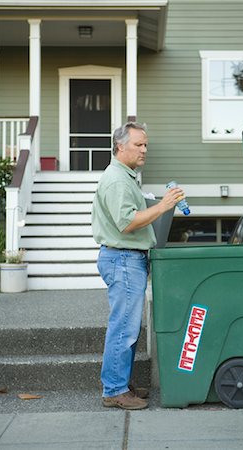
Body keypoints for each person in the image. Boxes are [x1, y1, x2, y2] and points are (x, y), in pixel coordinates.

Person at [91, 121, 185, 410]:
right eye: (139, 145)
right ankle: (115, 390)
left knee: (128, 327)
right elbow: (127, 222)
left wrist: (153, 204)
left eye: (146, 145)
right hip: (123, 259)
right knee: (124, 328)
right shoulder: (118, 179)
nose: (145, 150)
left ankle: (120, 384)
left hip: (127, 259)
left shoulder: (126, 176)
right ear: (121, 147)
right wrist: (163, 206)